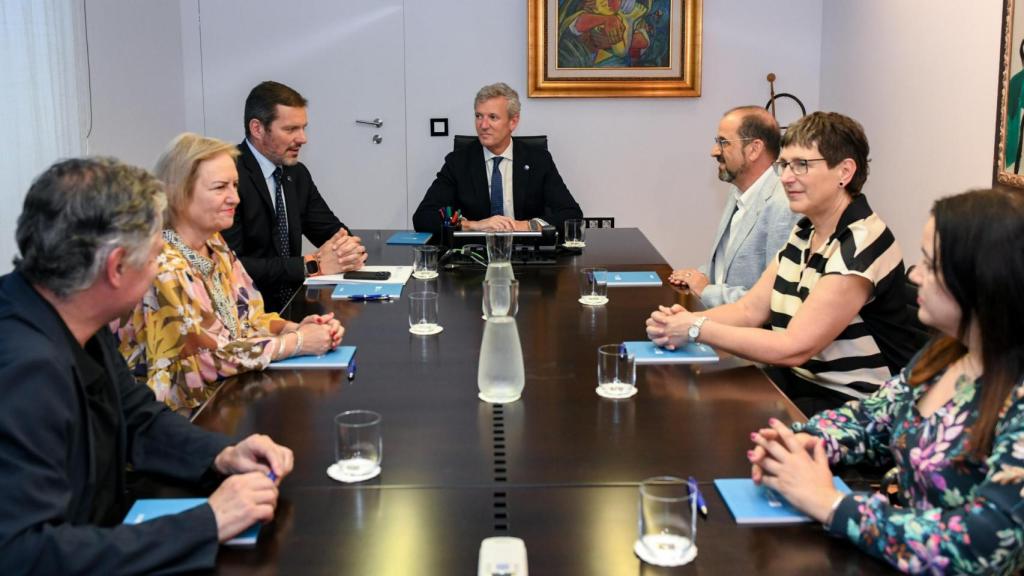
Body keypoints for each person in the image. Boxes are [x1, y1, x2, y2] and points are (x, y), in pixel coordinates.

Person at [0, 157, 295, 575]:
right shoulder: (22, 369)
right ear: (117, 267)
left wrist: (223, 455)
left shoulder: (75, 310)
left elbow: (138, 417)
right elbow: (26, 554)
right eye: (156, 256)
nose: (161, 268)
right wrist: (206, 523)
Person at [747, 188, 1024, 574]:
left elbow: (982, 544)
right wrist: (803, 442)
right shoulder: (944, 355)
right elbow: (870, 420)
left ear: (981, 279)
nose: (914, 274)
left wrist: (831, 504)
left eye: (930, 263)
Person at [647, 111, 919, 412]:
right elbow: (749, 310)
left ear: (844, 171)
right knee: (690, 398)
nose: (786, 177)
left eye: (801, 165)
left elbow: (794, 347)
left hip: (858, 408)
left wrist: (696, 327)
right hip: (799, 383)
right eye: (785, 165)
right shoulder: (804, 231)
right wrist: (676, 322)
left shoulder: (861, 242)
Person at [112, 133, 344, 415]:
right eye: (220, 187)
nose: (234, 197)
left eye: (235, 185)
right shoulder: (161, 264)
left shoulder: (216, 244)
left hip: (225, 398)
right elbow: (204, 361)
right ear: (176, 192)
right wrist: (297, 343)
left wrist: (296, 327)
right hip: (176, 421)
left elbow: (249, 319)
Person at [223, 80, 367, 312]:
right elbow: (230, 264)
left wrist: (348, 250)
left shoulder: (296, 174)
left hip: (294, 303)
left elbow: (332, 231)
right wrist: (310, 265)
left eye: (303, 128)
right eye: (290, 129)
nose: (302, 139)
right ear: (257, 128)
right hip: (248, 309)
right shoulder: (228, 176)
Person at [668, 106, 800, 307]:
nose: (714, 151)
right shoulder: (738, 191)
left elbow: (776, 299)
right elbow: (728, 268)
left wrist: (706, 290)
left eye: (724, 143)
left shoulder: (784, 206)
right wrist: (696, 276)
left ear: (754, 149)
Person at [412, 82, 583, 235]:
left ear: (513, 122)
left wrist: (524, 226)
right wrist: (473, 225)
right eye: (479, 116)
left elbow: (571, 214)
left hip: (526, 253)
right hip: (474, 255)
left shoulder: (538, 160)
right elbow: (423, 218)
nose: (483, 125)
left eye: (492, 117)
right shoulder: (458, 162)